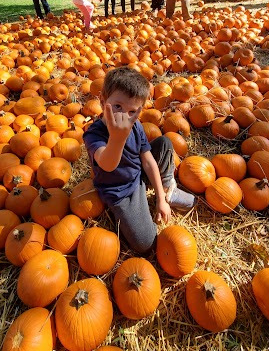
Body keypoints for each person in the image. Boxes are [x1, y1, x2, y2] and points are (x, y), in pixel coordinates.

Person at [83, 67, 196, 254]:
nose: (123, 117)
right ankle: (141, 199)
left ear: (139, 111)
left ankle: (169, 189)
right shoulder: (94, 135)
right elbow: (107, 164)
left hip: (138, 174)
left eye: (131, 111)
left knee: (165, 142)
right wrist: (117, 138)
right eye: (117, 106)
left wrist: (161, 199)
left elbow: (149, 161)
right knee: (145, 244)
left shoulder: (135, 125)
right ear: (103, 101)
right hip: (120, 191)